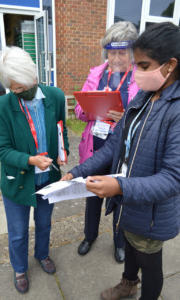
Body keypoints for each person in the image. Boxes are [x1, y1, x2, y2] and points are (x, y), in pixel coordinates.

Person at [62, 22, 180, 300]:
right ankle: (128, 283)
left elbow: (173, 178)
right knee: (129, 246)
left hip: (151, 214)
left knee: (149, 263)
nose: (136, 72)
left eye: (143, 65)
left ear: (170, 65)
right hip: (128, 203)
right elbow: (114, 145)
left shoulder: (176, 111)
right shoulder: (145, 96)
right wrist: (77, 171)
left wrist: (119, 187)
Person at [0, 46, 69, 294]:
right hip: (18, 181)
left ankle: (42, 254)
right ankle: (20, 268)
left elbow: (61, 128)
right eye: (17, 88)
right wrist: (30, 160)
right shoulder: (2, 106)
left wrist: (62, 151)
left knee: (45, 223)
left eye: (27, 84)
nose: (23, 91)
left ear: (35, 75)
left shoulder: (55, 96)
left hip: (48, 179)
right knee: (17, 232)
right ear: (8, 85)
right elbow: (1, 150)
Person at [75, 21, 139, 262]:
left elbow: (146, 115)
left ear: (132, 52)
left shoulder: (139, 76)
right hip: (96, 146)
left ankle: (119, 241)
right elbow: (80, 112)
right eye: (112, 52)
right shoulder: (97, 73)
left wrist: (127, 118)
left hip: (124, 150)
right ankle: (89, 236)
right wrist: (93, 111)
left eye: (122, 52)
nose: (116, 58)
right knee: (92, 195)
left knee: (119, 196)